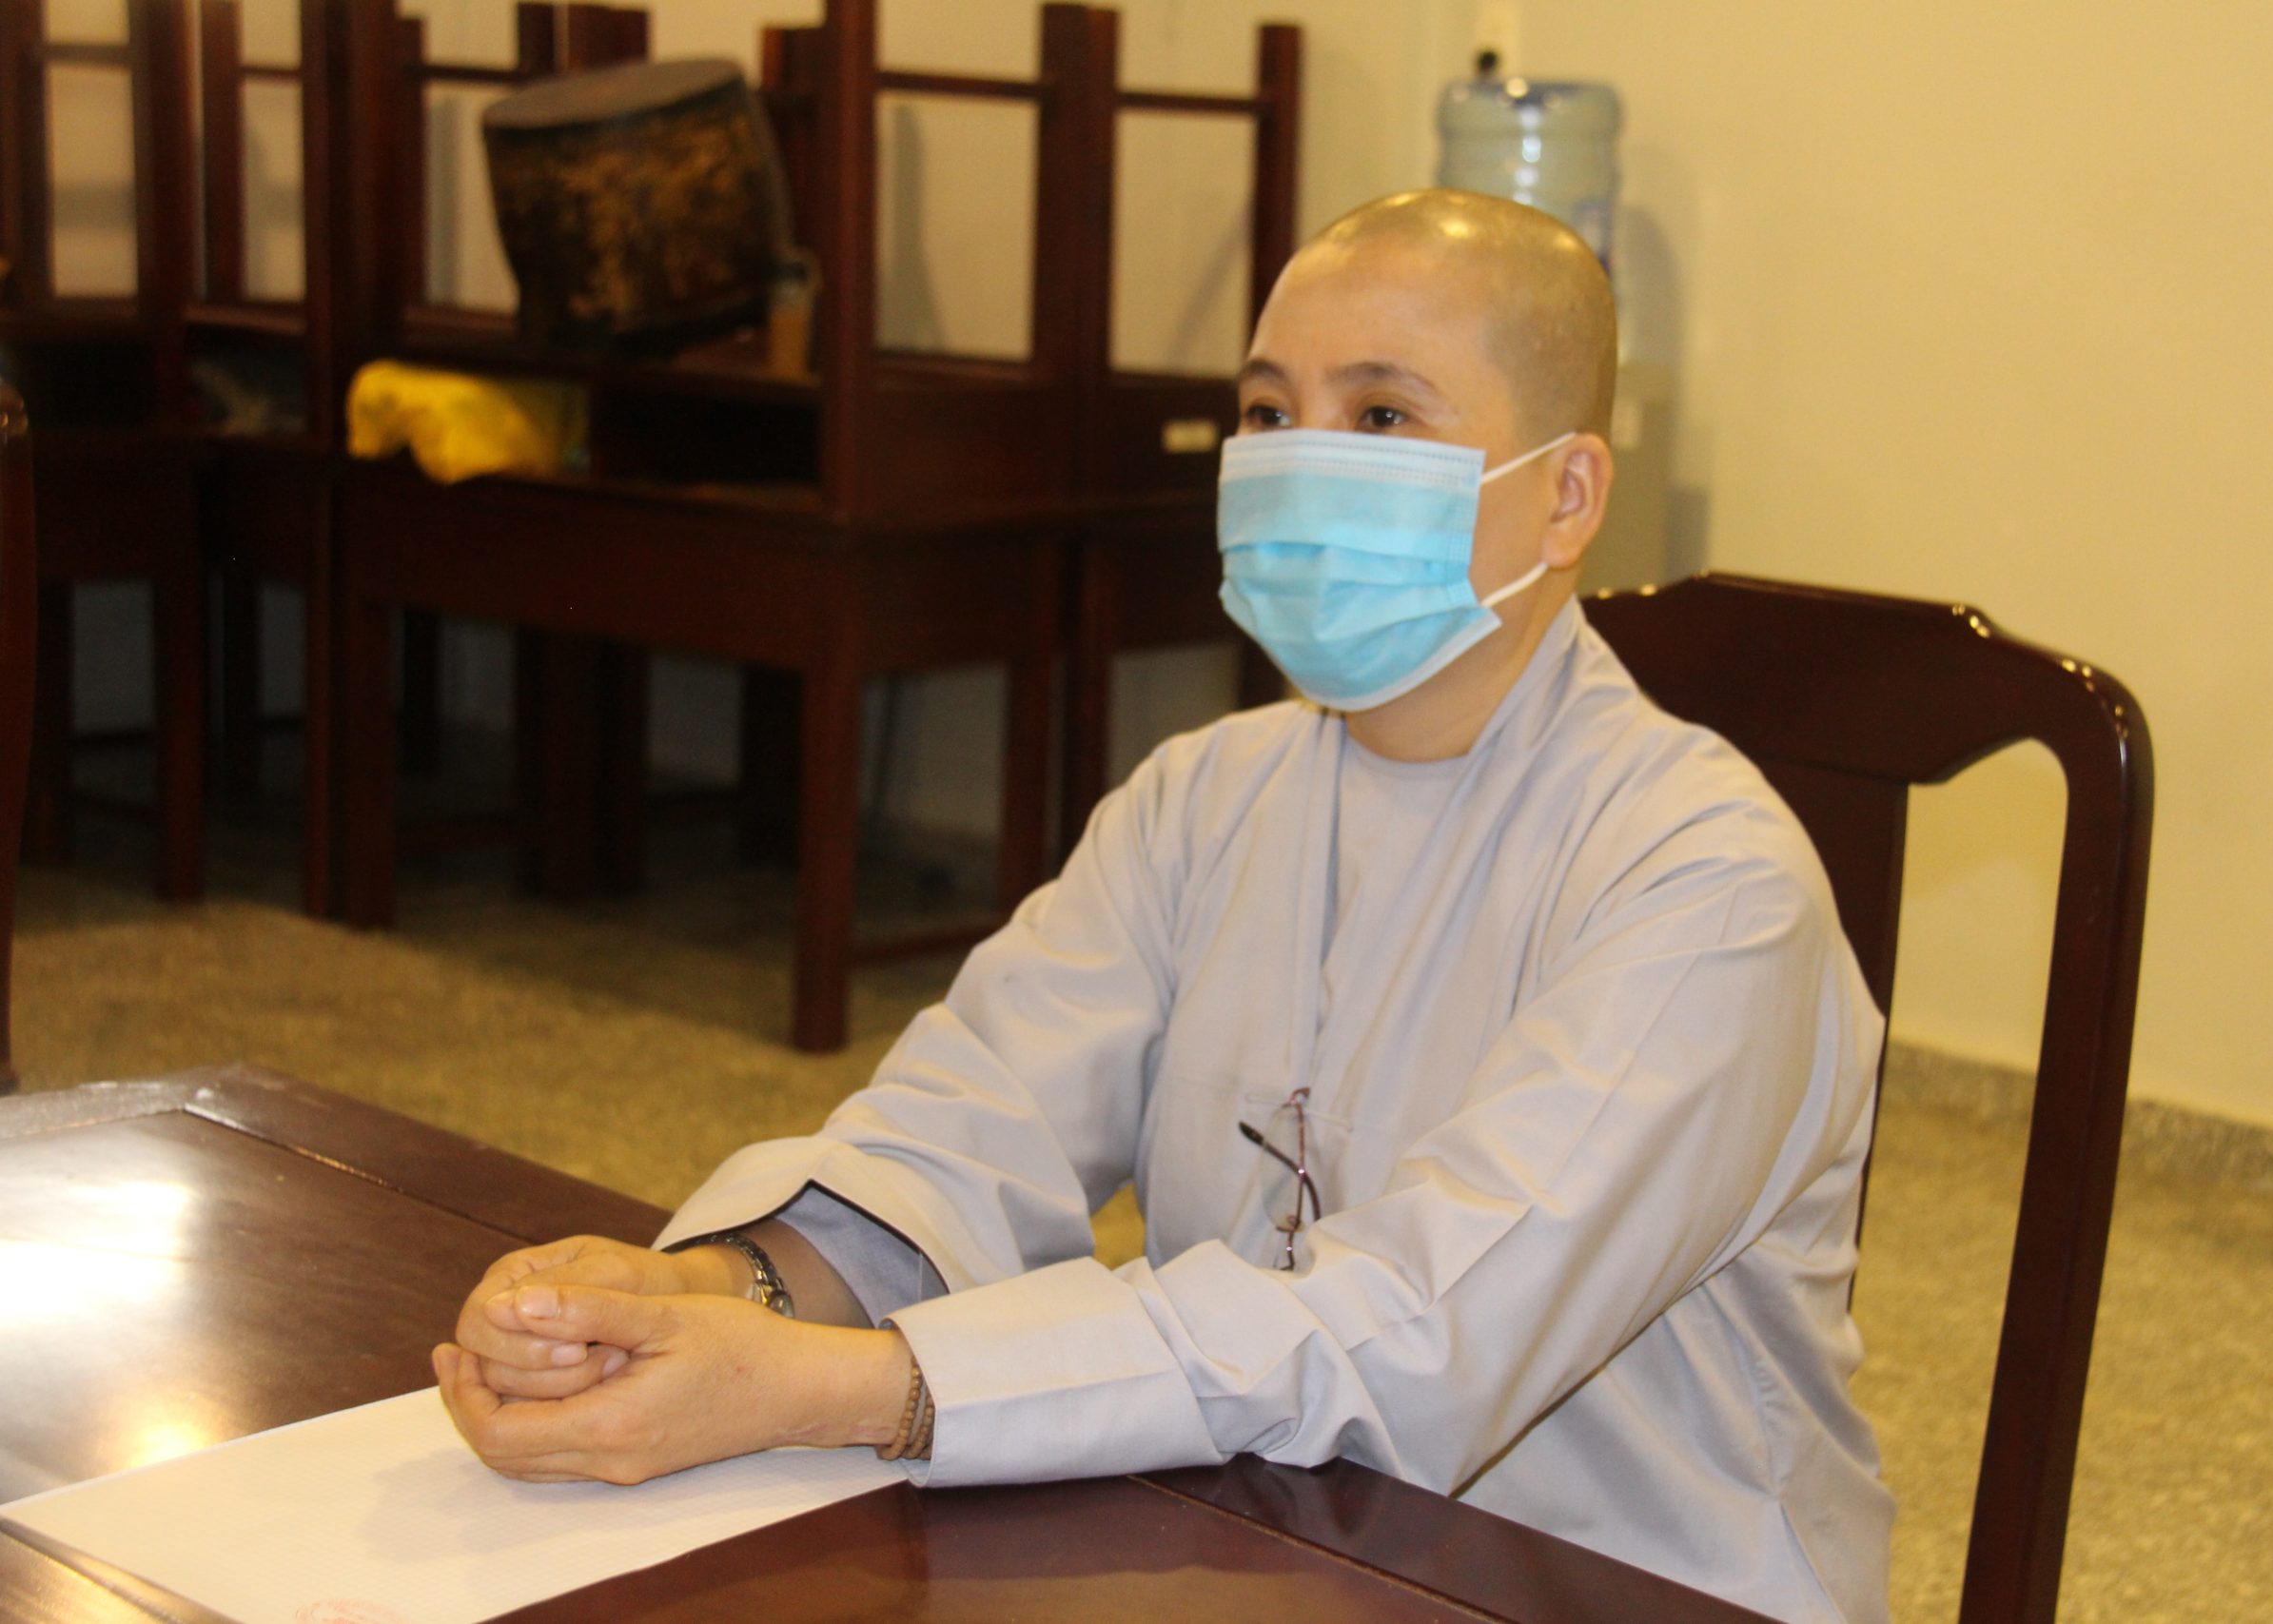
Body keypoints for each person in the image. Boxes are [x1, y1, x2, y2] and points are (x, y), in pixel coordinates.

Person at [436, 188, 1894, 1623]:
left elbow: (1416, 1334)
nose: (1302, 460)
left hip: (1605, 1584)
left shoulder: (1706, 885)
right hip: (1253, 1536)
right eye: (1267, 411)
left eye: (1381, 414)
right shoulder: (1208, 794)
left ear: (1567, 496)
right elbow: (974, 1129)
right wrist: (712, 1289)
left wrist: (849, 1389)